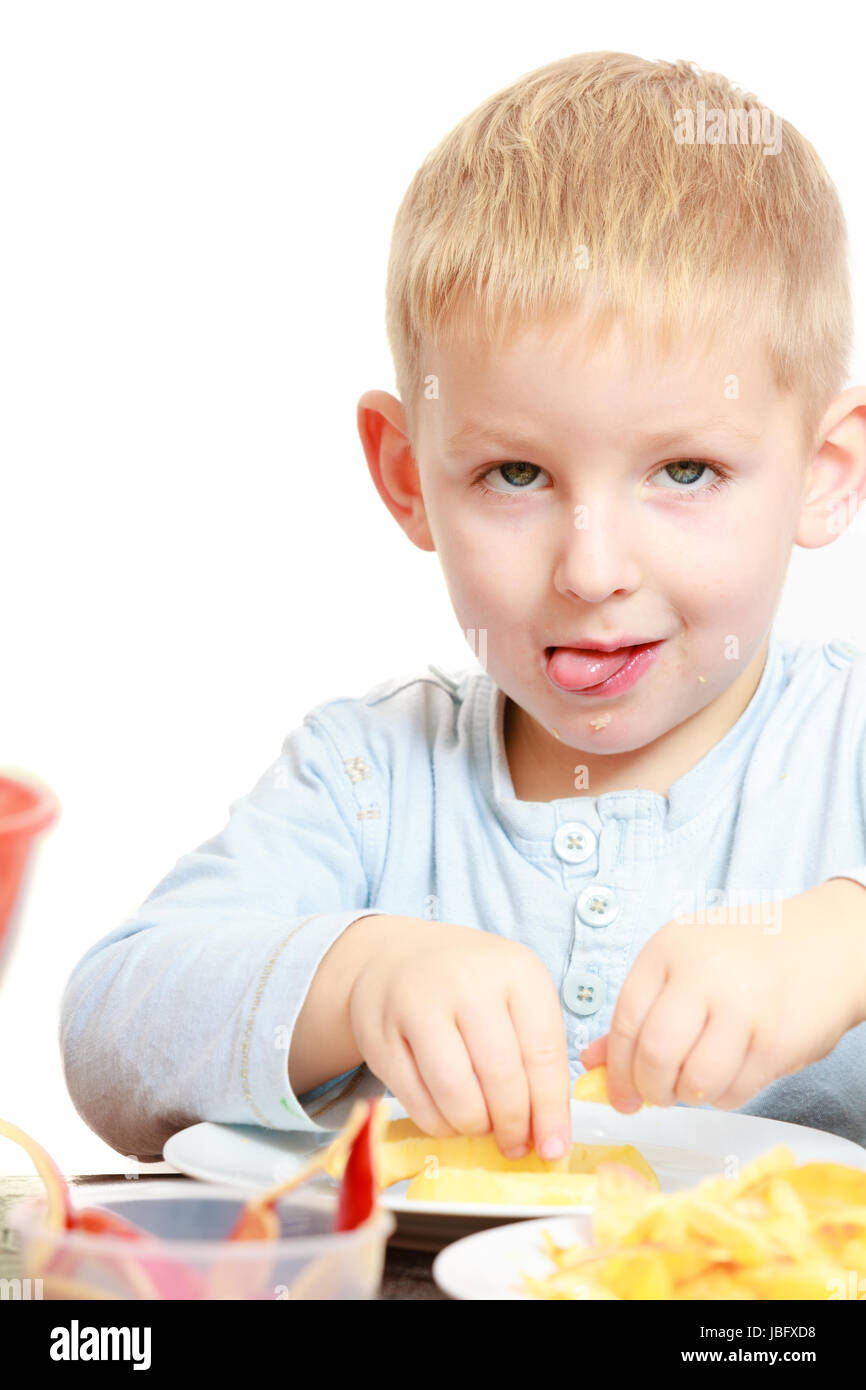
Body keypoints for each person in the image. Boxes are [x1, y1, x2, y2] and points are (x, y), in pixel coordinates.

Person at [61, 51, 866, 1165]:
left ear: (822, 471)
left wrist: (844, 940)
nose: (591, 570)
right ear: (406, 475)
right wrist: (356, 975)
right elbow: (110, 1027)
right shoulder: (370, 779)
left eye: (682, 471)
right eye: (515, 475)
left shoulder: (847, 745)